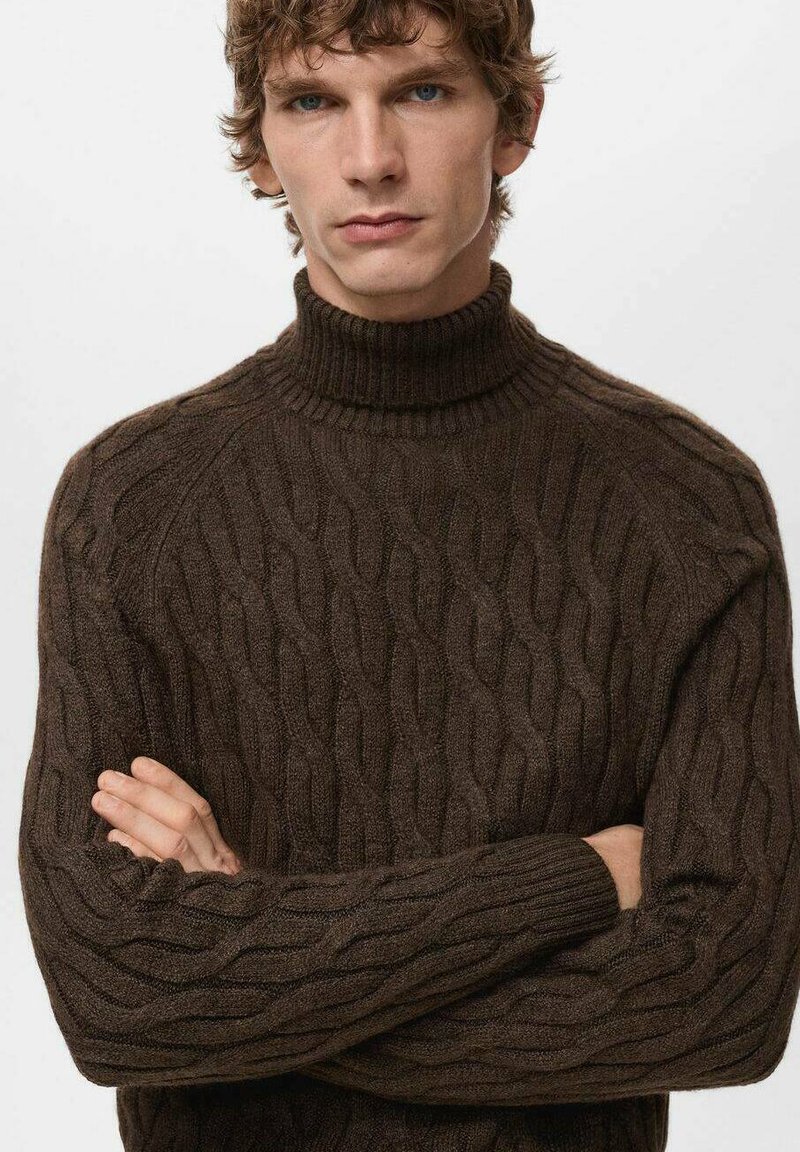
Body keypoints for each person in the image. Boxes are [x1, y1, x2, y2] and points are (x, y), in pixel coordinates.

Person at [17, 3, 800, 1151]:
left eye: (421, 92)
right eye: (311, 101)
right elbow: (117, 997)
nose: (370, 158)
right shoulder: (132, 501)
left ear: (514, 120)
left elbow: (724, 1000)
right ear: (260, 145)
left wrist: (242, 966)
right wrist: (576, 880)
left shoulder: (685, 503)